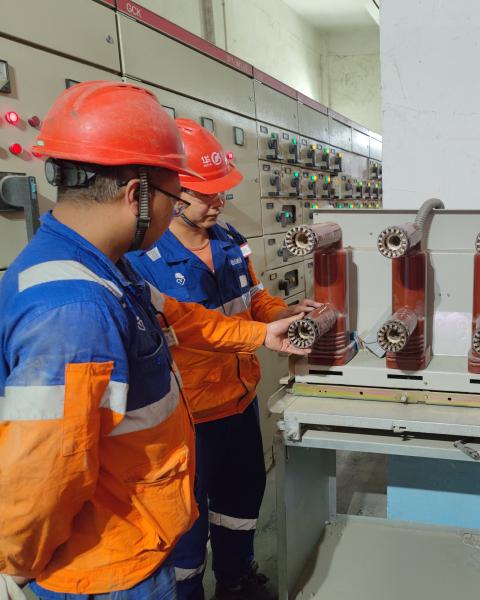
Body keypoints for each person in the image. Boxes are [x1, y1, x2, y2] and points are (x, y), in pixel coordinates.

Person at [0, 81, 307, 599]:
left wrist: (264, 331)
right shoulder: (75, 309)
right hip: (107, 568)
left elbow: (183, 317)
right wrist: (15, 563)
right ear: (137, 195)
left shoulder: (102, 268)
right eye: (174, 195)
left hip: (133, 536)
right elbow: (44, 465)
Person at [126, 118, 318, 600]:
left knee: (241, 500)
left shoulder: (229, 240)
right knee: (186, 522)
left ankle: (236, 578)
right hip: (188, 417)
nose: (218, 202)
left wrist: (284, 313)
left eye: (221, 192)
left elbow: (255, 298)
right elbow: (191, 330)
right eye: (206, 194)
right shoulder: (143, 259)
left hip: (238, 402)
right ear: (174, 192)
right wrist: (261, 334)